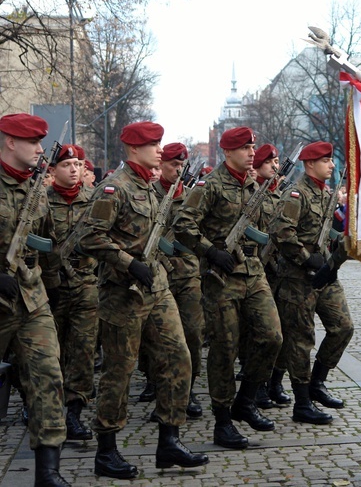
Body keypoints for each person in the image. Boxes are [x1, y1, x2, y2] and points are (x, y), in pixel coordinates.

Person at [78, 121, 208, 479]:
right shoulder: (113, 188)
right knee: (119, 371)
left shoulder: (151, 187)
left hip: (157, 286)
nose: (159, 150)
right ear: (134, 148)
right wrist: (128, 263)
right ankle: (106, 451)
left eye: (159, 144)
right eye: (153, 144)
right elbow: (89, 238)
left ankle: (169, 439)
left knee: (178, 357)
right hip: (123, 292)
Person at [172, 127, 283, 449]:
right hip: (222, 276)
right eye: (245, 148)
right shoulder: (210, 186)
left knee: (272, 337)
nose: (252, 152)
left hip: (253, 271)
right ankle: (223, 422)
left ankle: (245, 401)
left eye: (253, 147)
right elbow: (183, 224)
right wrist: (209, 251)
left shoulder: (253, 184)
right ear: (227, 153)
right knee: (224, 349)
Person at [0, 113, 70, 486]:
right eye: (33, 143)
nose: (41, 150)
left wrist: (54, 286)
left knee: (48, 377)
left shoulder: (35, 188)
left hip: (31, 298)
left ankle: (48, 472)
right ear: (11, 142)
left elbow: (46, 243)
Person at [270, 141, 354, 425]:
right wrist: (308, 259)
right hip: (297, 280)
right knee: (300, 340)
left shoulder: (325, 194)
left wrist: (333, 259)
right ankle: (303, 402)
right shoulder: (297, 195)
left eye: (331, 160)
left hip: (325, 277)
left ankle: (318, 382)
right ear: (309, 164)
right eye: (326, 160)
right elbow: (281, 233)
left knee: (343, 327)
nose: (331, 165)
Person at [44, 144, 99, 442]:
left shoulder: (95, 200)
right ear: (53, 170)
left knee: (83, 348)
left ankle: (74, 412)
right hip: (49, 285)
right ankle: (44, 405)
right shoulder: (40, 200)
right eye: (67, 165)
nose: (74, 169)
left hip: (85, 283)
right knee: (51, 351)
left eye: (78, 164)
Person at [148, 142, 205, 418]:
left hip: (188, 275)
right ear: (161, 165)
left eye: (182, 165)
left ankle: (188, 390)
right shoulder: (150, 194)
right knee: (161, 341)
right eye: (173, 164)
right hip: (158, 275)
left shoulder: (194, 196)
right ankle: (162, 391)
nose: (178, 169)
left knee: (193, 335)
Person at [250, 143, 292, 408]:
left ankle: (276, 381)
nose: (275, 167)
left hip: (281, 270)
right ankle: (259, 385)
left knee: (284, 329)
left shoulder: (282, 194)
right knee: (260, 333)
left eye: (277, 162)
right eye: (270, 163)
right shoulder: (255, 194)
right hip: (257, 270)